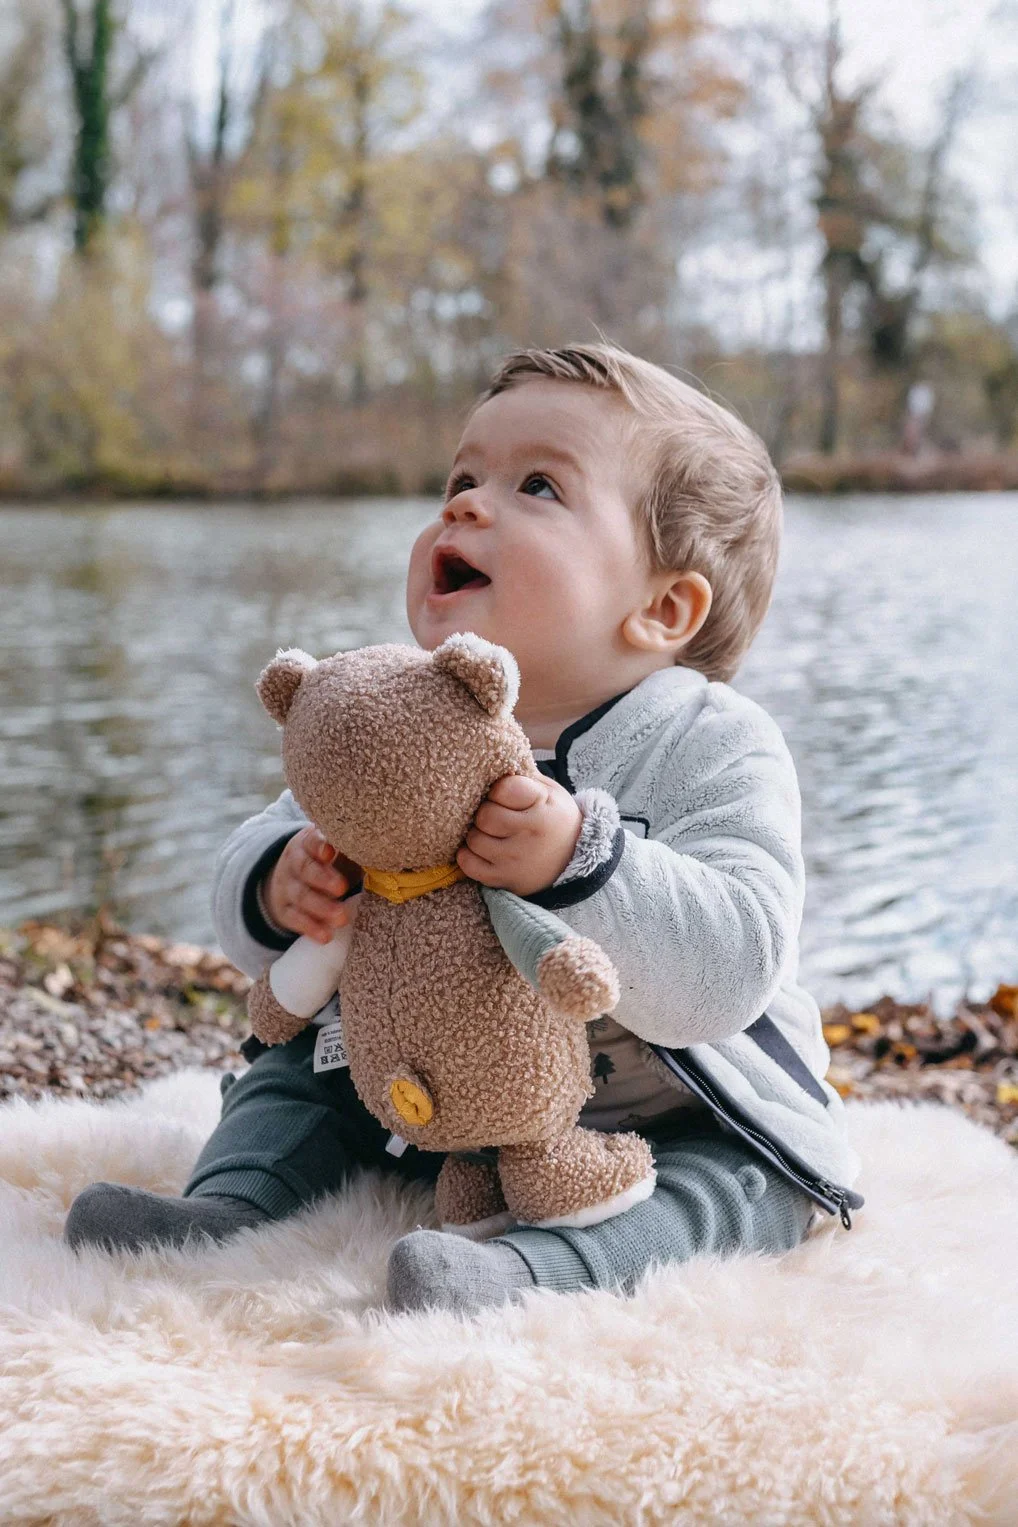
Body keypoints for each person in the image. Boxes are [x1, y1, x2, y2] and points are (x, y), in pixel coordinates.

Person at [65, 343, 864, 1314]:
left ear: (660, 608)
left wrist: (584, 861)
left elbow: (736, 960)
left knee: (735, 1189)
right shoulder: (397, 710)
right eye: (461, 477)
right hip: (433, 1081)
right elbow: (255, 900)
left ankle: (534, 1274)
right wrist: (281, 884)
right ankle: (232, 1203)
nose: (465, 504)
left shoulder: (709, 744)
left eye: (536, 485)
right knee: (291, 1073)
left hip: (665, 1102)